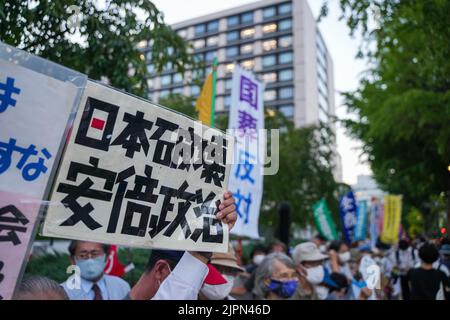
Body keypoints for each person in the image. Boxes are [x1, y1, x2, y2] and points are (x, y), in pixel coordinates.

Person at [62, 240, 131, 300]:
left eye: (95, 254)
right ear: (72, 260)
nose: (90, 260)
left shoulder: (122, 286)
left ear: (106, 257)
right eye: (83, 255)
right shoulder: (62, 291)